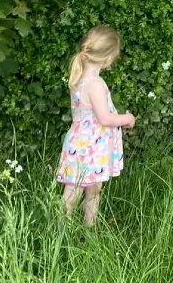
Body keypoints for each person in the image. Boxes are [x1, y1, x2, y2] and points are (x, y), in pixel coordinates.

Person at [55, 26, 135, 226]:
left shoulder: (79, 78)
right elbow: (105, 119)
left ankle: (72, 230)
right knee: (85, 191)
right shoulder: (96, 84)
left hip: (81, 145)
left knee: (77, 190)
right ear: (108, 60)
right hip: (89, 148)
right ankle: (77, 230)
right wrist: (127, 118)